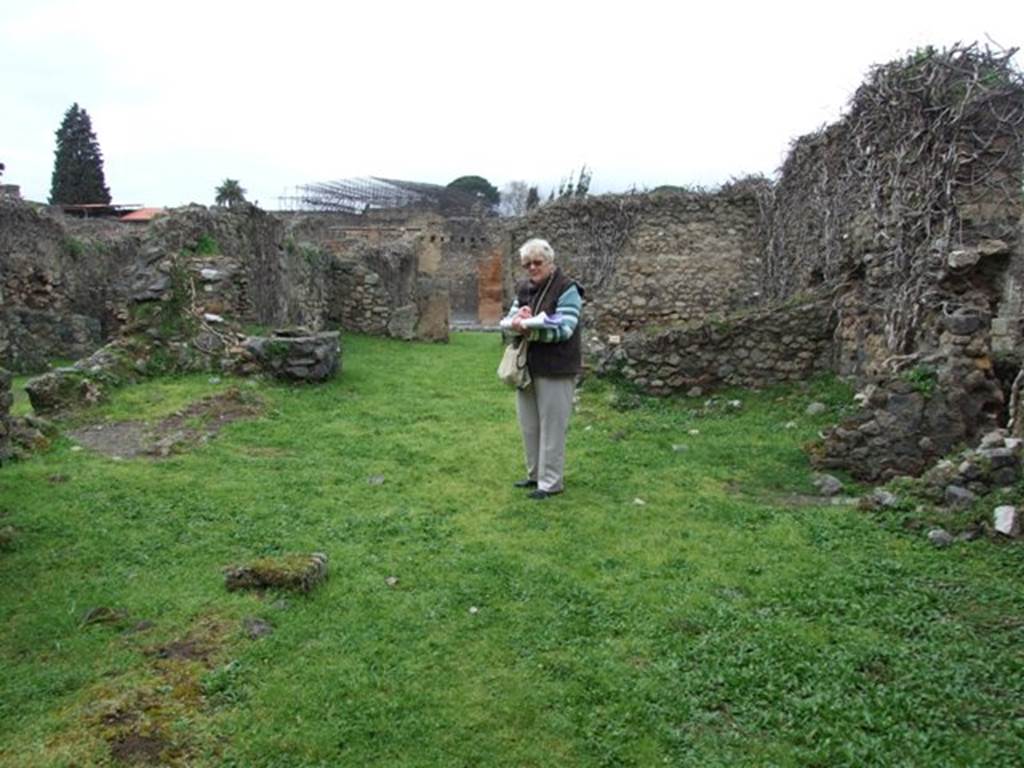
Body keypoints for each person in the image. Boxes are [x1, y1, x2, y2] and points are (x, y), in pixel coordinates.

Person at [504, 238, 585, 500]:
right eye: (527, 264)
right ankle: (534, 475)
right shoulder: (523, 289)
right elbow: (507, 321)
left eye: (538, 262)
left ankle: (551, 483)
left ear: (550, 263)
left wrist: (531, 330)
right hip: (527, 367)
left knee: (552, 427)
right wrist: (518, 321)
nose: (532, 268)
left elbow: (565, 329)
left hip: (557, 367)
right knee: (529, 425)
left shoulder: (567, 288)